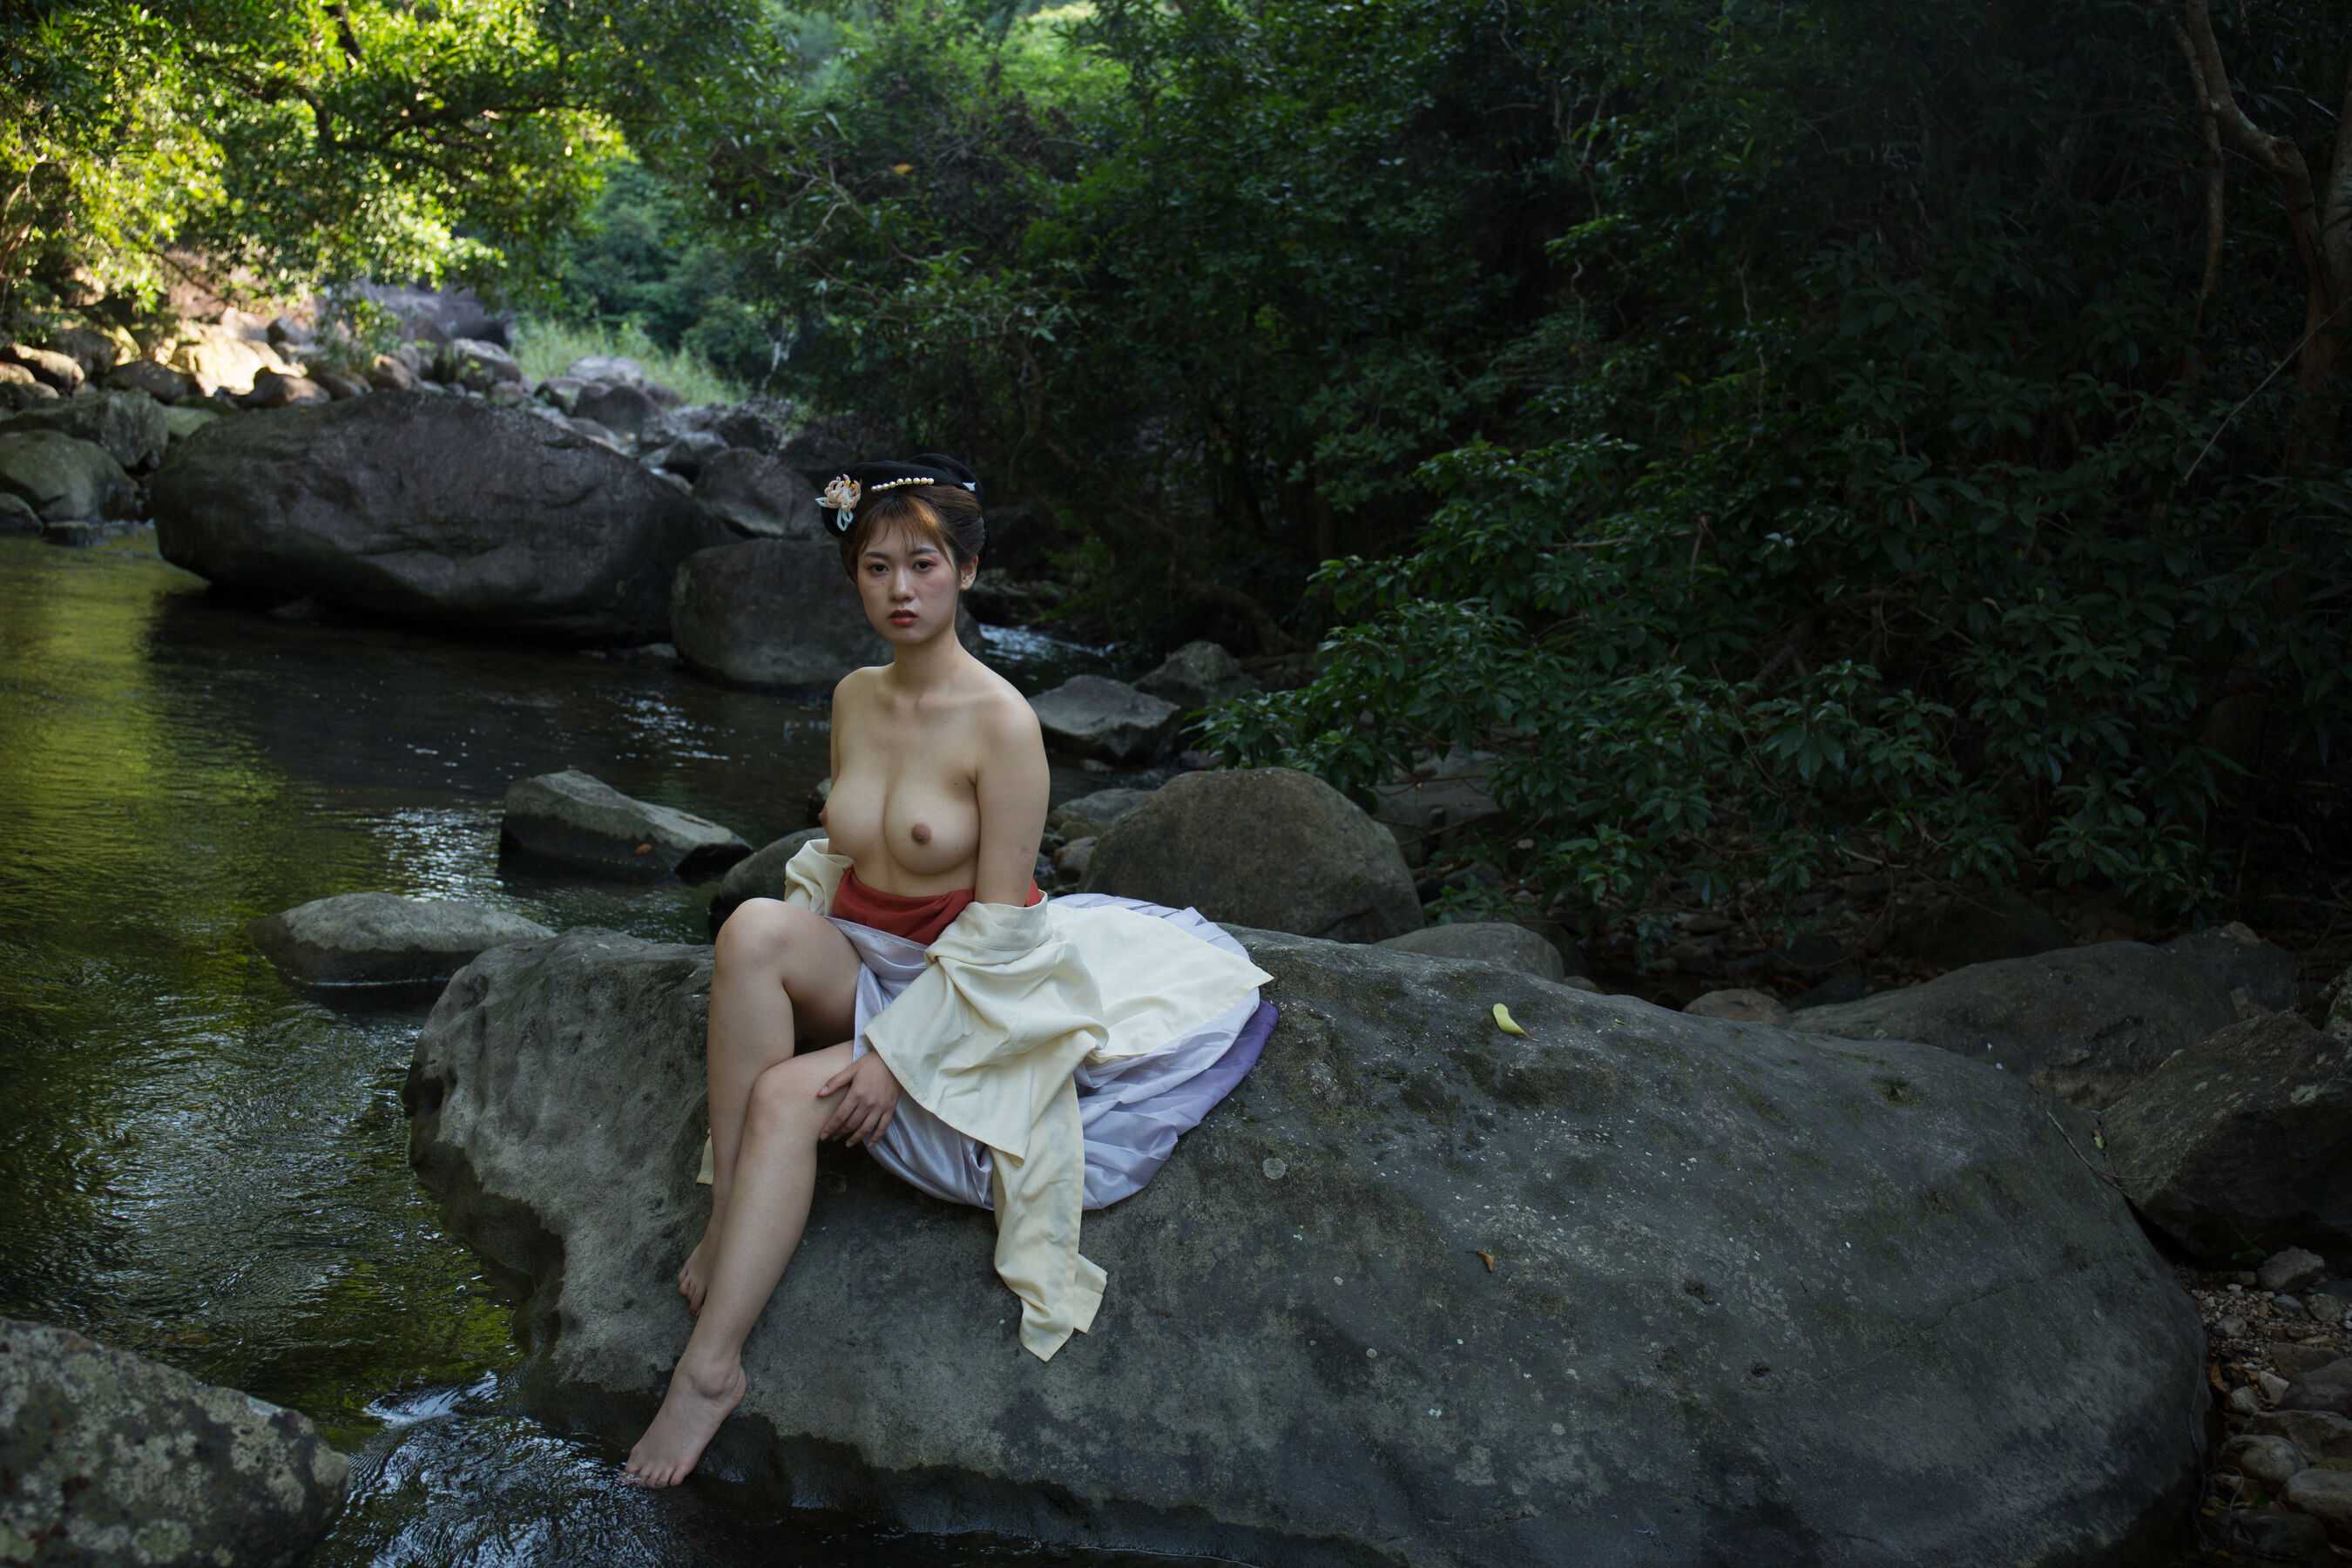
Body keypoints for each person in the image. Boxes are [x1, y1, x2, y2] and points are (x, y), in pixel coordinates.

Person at [623, 455, 1278, 1487]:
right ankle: (731, 1213)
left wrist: (893, 1056)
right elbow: (842, 861)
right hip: (870, 954)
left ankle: (711, 1372)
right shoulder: (854, 696)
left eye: (924, 565)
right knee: (749, 930)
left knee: (792, 1096)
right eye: (876, 567)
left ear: (966, 572)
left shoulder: (1004, 724)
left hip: (972, 993)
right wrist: (817, 962)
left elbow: (1001, 932)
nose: (902, 590)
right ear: (855, 578)